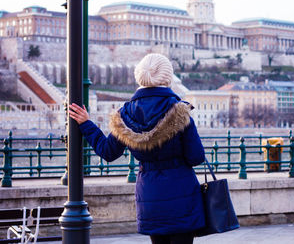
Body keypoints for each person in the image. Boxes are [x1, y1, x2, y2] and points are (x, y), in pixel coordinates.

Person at [69, 53, 206, 244]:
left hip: (150, 196)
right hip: (182, 197)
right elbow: (196, 157)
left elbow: (107, 152)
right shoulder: (179, 112)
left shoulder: (124, 115)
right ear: (167, 77)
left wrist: (86, 124)